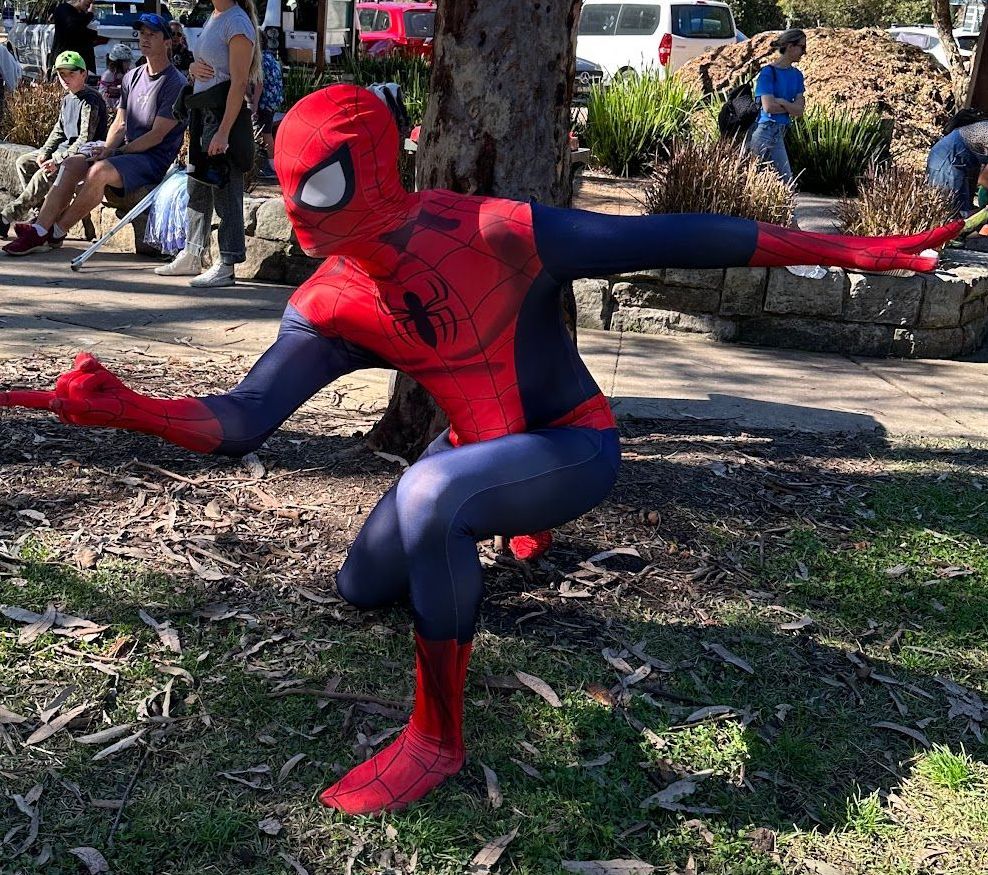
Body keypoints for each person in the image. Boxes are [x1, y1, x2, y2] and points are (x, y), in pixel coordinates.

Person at [0, 83, 965, 813]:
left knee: (432, 497)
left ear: (376, 166)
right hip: (486, 457)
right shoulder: (330, 301)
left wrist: (848, 250)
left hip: (574, 447)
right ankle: (493, 523)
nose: (305, 211)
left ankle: (438, 736)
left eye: (323, 183)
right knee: (359, 587)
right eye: (292, 188)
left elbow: (665, 234)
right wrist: (129, 408)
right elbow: (245, 418)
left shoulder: (495, 234)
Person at [3, 14, 185, 256]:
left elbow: (157, 136)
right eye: (142, 34)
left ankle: (55, 231)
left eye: (153, 34)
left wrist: (115, 152)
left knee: (98, 171)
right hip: (126, 154)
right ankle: (39, 230)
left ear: (167, 42)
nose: (145, 39)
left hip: (153, 159)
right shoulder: (133, 76)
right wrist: (107, 148)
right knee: (70, 163)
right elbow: (120, 122)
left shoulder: (176, 82)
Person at [154, 0, 259, 287]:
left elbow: (238, 83)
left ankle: (227, 262)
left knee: (225, 190)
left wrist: (224, 132)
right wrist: (192, 68)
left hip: (220, 116)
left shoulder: (237, 23)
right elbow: (208, 64)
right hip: (202, 113)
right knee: (196, 187)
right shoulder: (215, 17)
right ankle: (192, 252)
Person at [0, 50, 106, 241]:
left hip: (81, 158)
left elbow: (84, 140)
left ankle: (6, 217)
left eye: (71, 74)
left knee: (44, 174)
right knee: (24, 162)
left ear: (84, 74)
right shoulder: (67, 99)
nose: (66, 79)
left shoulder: (90, 100)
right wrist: (45, 151)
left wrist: (56, 160)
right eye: (61, 74)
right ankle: (42, 215)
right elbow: (59, 130)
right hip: (62, 151)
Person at [747, 28, 807, 184]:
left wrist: (781, 101)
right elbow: (768, 107)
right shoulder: (768, 73)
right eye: (802, 47)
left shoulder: (797, 75)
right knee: (752, 181)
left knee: (786, 183)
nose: (804, 52)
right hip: (764, 130)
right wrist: (789, 106)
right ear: (789, 46)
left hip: (779, 132)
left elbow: (800, 110)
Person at [927, 119, 988, 217]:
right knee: (947, 209)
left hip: (965, 159)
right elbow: (984, 178)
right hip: (948, 157)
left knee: (963, 207)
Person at [250, 28, 282, 181]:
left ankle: (272, 166)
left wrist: (254, 105)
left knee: (266, 134)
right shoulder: (271, 58)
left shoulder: (259, 60)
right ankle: (271, 164)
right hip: (273, 101)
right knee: (266, 132)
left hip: (264, 102)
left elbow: (259, 84)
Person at [50, 0, 102, 78]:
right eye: (89, 2)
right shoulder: (64, 10)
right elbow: (73, 29)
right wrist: (90, 15)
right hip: (67, 59)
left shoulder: (79, 13)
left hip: (81, 61)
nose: (91, 5)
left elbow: (80, 28)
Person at [99, 43, 133, 114]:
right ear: (118, 62)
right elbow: (102, 94)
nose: (129, 63)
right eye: (126, 61)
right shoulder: (108, 75)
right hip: (111, 110)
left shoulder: (129, 73)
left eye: (129, 61)